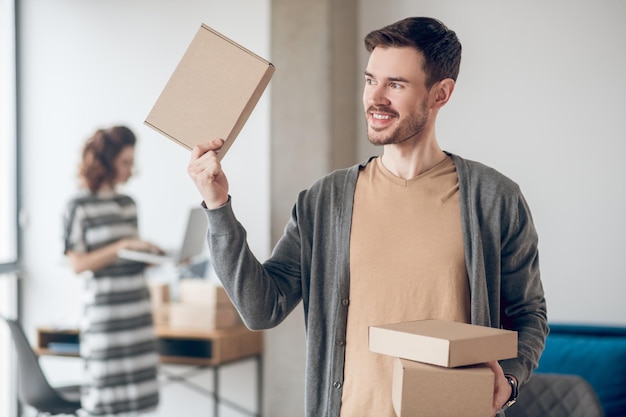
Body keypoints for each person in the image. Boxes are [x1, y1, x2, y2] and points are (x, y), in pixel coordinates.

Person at [187, 17, 548, 417]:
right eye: (370, 79)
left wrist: (509, 381)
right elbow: (261, 308)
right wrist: (218, 207)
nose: (375, 97)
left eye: (395, 84)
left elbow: (528, 315)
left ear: (440, 94)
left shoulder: (494, 199)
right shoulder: (324, 201)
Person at [63, 126, 161, 416]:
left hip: (137, 314)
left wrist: (155, 256)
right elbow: (78, 264)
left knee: (140, 402)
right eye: (125, 162)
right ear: (105, 163)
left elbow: (127, 258)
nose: (132, 170)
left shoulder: (128, 204)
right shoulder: (78, 205)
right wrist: (121, 245)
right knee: (105, 402)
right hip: (106, 320)